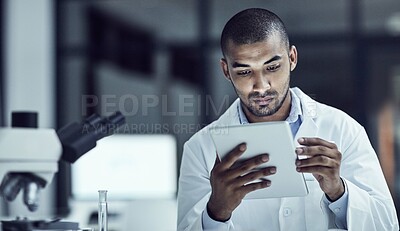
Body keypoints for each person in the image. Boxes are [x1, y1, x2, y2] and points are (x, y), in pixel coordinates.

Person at [177, 8, 399, 231]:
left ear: (292, 58)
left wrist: (339, 192)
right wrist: (217, 212)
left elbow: (387, 225)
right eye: (244, 72)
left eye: (272, 67)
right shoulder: (200, 149)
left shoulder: (343, 130)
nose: (261, 85)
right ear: (226, 70)